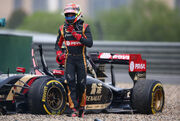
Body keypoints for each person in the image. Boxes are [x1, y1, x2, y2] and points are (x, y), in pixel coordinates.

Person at [55, 3, 93, 117]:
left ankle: (82, 107)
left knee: (81, 84)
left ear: (77, 14)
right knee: (70, 83)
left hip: (81, 59)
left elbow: (90, 43)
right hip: (69, 59)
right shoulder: (62, 29)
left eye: (72, 15)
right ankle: (73, 109)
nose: (69, 17)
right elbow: (57, 45)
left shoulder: (85, 27)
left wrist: (75, 34)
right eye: (68, 15)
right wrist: (59, 53)